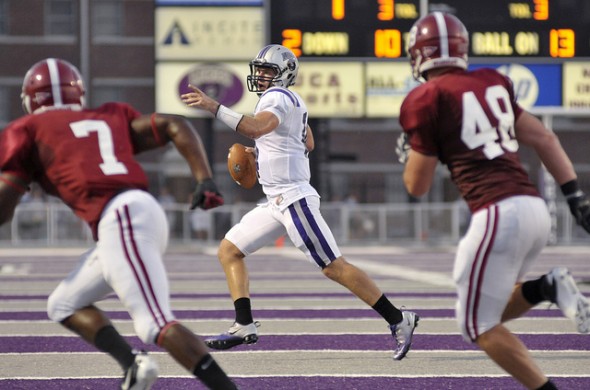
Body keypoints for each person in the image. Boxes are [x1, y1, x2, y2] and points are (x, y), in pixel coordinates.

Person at [0, 58, 237, 390]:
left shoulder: (27, 131)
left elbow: (3, 206)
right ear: (77, 94)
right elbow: (175, 125)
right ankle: (133, 365)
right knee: (64, 303)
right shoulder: (105, 117)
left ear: (30, 98)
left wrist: (17, 176)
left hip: (122, 218)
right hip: (134, 215)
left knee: (154, 323)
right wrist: (204, 180)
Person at [180, 44, 419, 361]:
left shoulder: (278, 97)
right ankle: (244, 324)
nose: (261, 76)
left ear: (284, 74)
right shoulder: (286, 101)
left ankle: (398, 318)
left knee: (334, 267)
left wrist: (214, 107)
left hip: (293, 198)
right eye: (259, 69)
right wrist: (265, 151)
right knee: (229, 250)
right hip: (275, 201)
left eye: (268, 71)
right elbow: (307, 140)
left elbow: (257, 127)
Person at [397, 12, 590, 390]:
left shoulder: (425, 97)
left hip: (498, 213)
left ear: (420, 54)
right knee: (492, 309)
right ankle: (546, 288)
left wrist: (409, 155)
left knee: (475, 327)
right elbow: (545, 139)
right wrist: (575, 198)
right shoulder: (492, 82)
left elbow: (416, 186)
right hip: (534, 210)